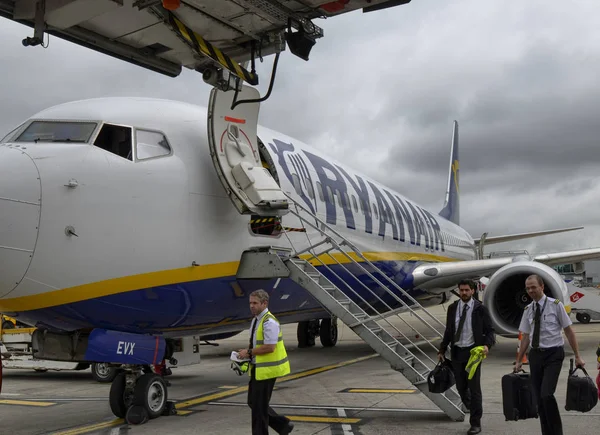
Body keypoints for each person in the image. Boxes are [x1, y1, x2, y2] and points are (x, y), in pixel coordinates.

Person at [515, 274, 585, 435]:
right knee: (539, 399)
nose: (531, 290)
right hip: (535, 356)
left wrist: (578, 356)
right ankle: (546, 432)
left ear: (542, 287)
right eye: (528, 288)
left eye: (533, 287)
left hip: (553, 354)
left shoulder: (556, 305)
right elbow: (525, 336)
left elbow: (568, 331)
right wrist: (518, 360)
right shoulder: (528, 309)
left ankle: (557, 432)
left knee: (546, 394)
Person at [438, 279, 495, 435]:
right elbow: (449, 331)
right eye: (461, 290)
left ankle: (475, 423)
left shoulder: (480, 309)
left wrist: (487, 345)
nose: (463, 293)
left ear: (472, 291)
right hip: (457, 352)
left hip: (473, 353)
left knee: (474, 388)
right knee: (461, 388)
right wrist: (442, 349)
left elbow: (490, 331)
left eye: (466, 290)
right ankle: (472, 407)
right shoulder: (452, 308)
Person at [237, 289, 294, 435]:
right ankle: (282, 425)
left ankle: (275, 428)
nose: (251, 306)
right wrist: (245, 354)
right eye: (250, 303)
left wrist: (249, 352)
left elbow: (270, 347)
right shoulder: (257, 320)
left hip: (267, 371)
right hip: (258, 369)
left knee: (259, 409)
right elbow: (257, 344)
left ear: (264, 303)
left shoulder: (269, 322)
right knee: (254, 403)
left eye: (255, 303)